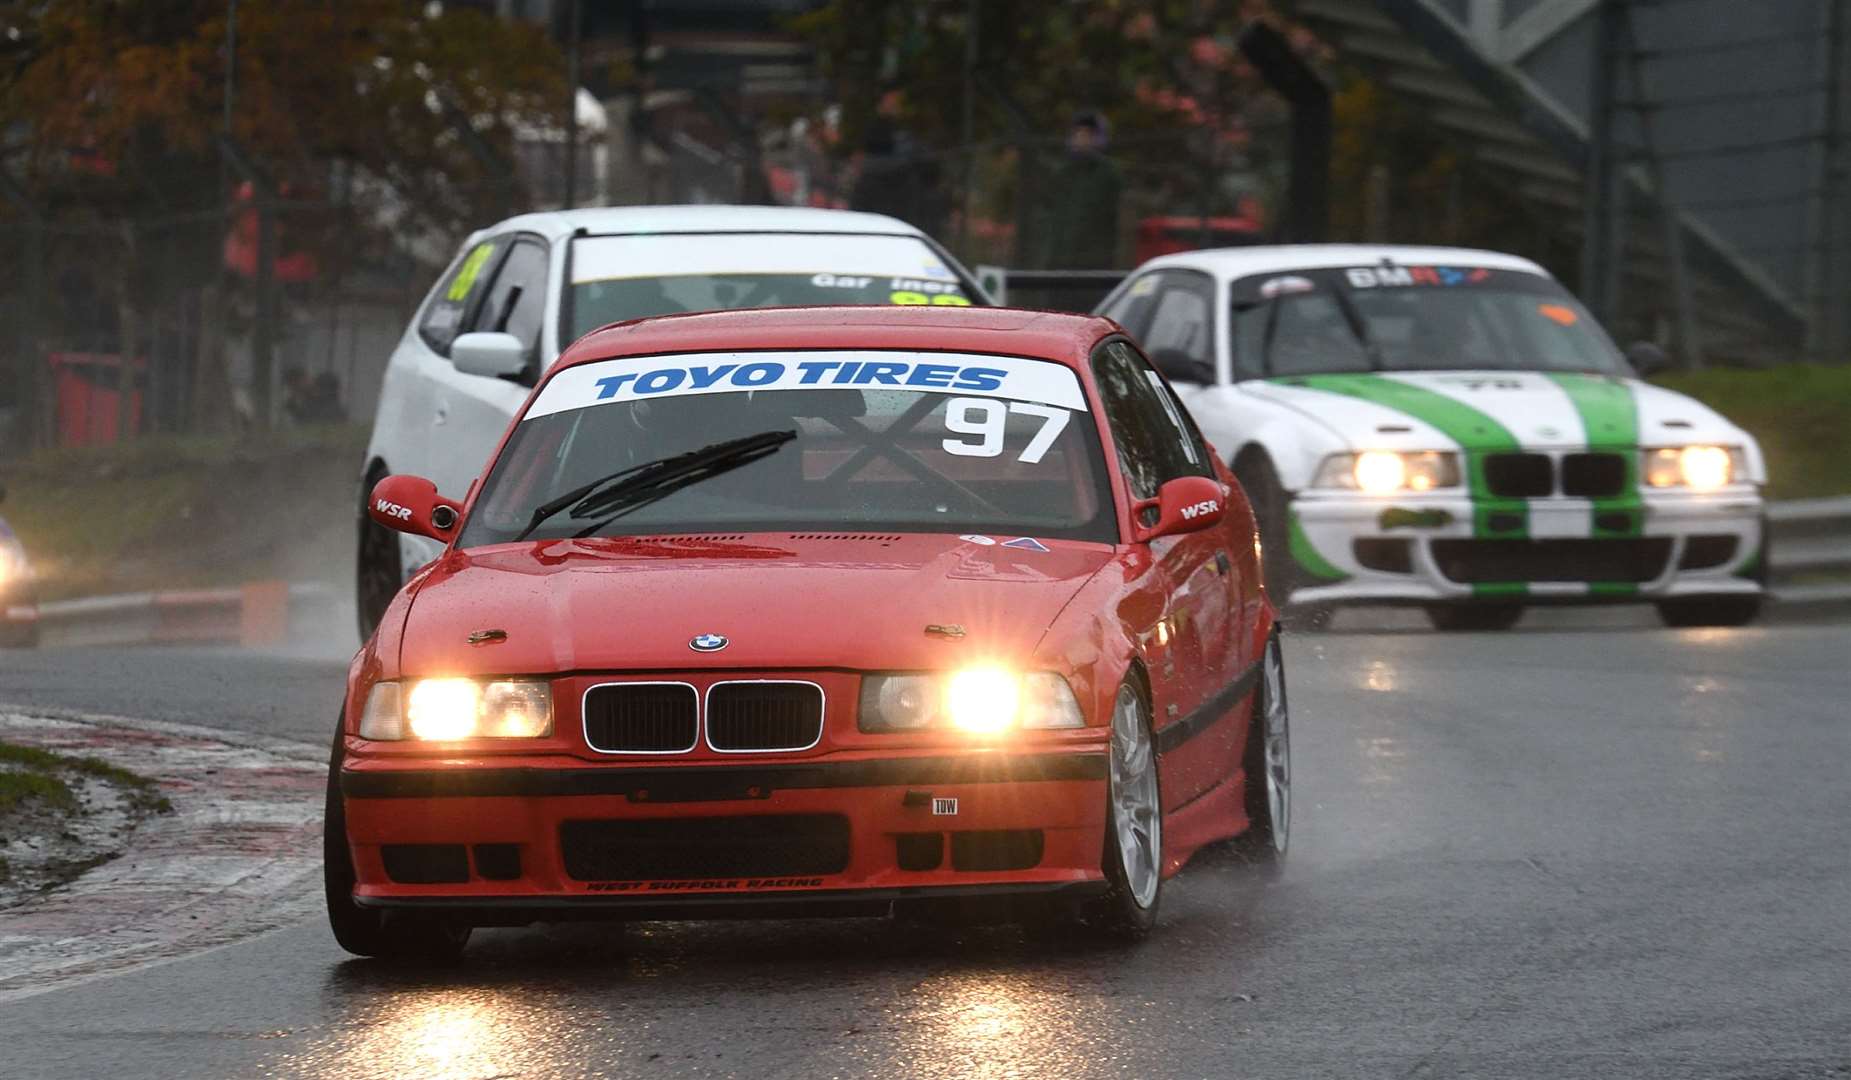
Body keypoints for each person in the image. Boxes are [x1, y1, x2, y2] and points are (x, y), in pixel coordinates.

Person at [1035, 111, 1124, 270]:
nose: (1082, 139)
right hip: (1060, 261)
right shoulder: (1063, 173)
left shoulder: (1109, 173)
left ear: (1098, 138)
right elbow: (1049, 214)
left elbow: (1116, 217)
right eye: (1078, 133)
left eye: (1088, 134)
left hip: (1095, 264)